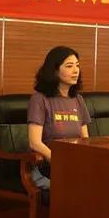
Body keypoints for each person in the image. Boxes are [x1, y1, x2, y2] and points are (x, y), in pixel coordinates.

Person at [27, 46, 91, 190]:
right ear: (54, 70)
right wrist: (59, 161)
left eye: (77, 65)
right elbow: (34, 142)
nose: (76, 70)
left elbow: (85, 140)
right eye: (69, 66)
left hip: (75, 164)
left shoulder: (78, 99)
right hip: (48, 167)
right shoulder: (39, 99)